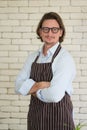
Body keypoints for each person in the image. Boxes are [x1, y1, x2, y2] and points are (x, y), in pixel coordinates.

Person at [15, 12, 76, 130]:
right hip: (35, 117)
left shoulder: (64, 58)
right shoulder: (33, 57)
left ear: (60, 32)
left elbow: (55, 95)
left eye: (54, 29)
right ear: (40, 31)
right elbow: (17, 86)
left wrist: (31, 90)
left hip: (59, 118)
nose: (49, 33)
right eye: (46, 29)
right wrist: (40, 85)